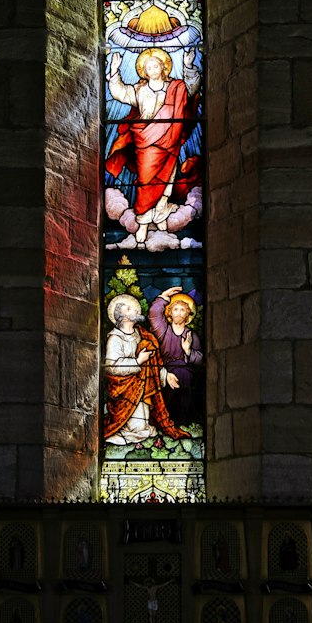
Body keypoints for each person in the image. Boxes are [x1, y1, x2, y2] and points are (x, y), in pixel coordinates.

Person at [105, 47, 200, 245]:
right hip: (146, 143)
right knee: (146, 184)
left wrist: (189, 66)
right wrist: (114, 71)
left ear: (163, 67)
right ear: (144, 71)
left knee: (166, 183)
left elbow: (191, 89)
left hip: (169, 141)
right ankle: (143, 223)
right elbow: (120, 92)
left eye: (155, 65)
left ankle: (160, 216)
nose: (152, 69)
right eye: (148, 66)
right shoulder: (140, 89)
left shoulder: (174, 87)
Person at [103, 293, 187, 445]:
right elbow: (111, 367)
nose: (135, 309)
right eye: (129, 309)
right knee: (139, 429)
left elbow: (151, 364)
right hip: (124, 392)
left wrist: (165, 375)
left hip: (143, 390)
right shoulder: (115, 338)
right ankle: (122, 432)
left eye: (135, 307)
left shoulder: (141, 335)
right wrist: (137, 361)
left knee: (145, 427)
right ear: (121, 315)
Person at [147, 286, 203, 426]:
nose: (179, 313)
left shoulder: (192, 335)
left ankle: (183, 421)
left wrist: (188, 351)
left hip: (185, 373)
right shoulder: (163, 331)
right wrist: (163, 297)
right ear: (169, 312)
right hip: (163, 371)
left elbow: (200, 359)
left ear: (188, 314)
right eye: (175, 309)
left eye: (183, 310)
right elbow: (154, 315)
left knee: (183, 376)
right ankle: (164, 422)